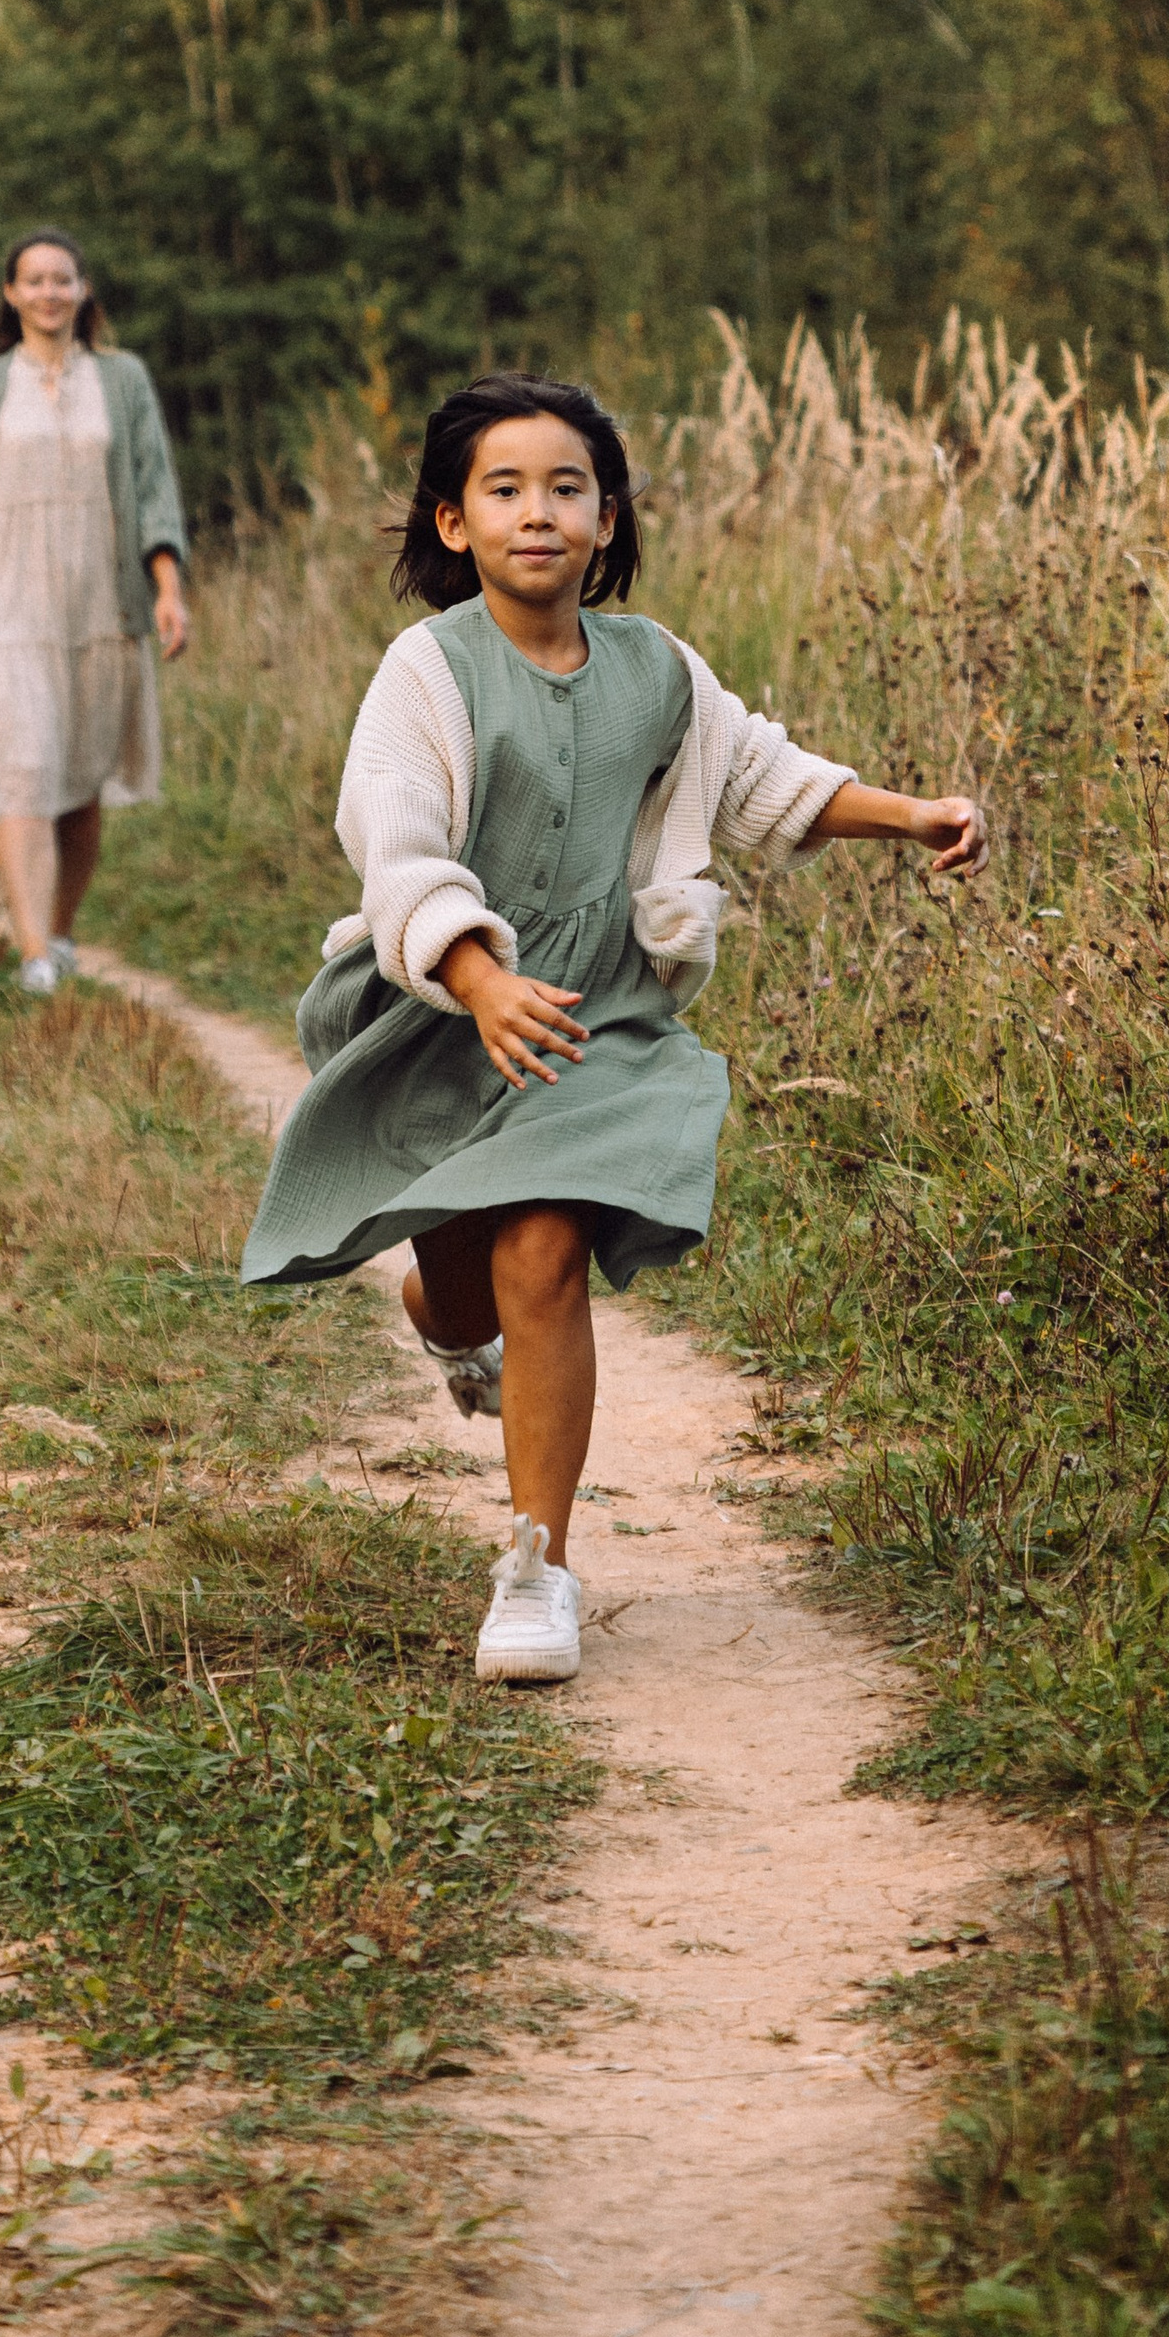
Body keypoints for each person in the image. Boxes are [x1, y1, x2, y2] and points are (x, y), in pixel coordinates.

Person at [242, 370, 984, 1685]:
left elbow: (764, 780)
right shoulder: (431, 667)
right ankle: (436, 1309)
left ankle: (539, 1566)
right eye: (506, 488)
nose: (540, 511)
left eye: (568, 487)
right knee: (466, 1279)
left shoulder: (655, 668)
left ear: (607, 515)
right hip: (446, 1010)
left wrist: (909, 814)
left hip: (600, 1015)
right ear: (455, 523)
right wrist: (476, 978)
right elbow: (395, 837)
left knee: (542, 1258)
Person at [0, 230, 190, 994]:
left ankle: (58, 932)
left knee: (80, 785)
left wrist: (168, 590)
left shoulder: (122, 381)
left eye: (64, 279)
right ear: (11, 294)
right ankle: (31, 959)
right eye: (35, 280)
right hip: (2, 603)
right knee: (25, 769)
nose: (50, 292)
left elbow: (154, 488)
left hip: (96, 604)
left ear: (83, 291)